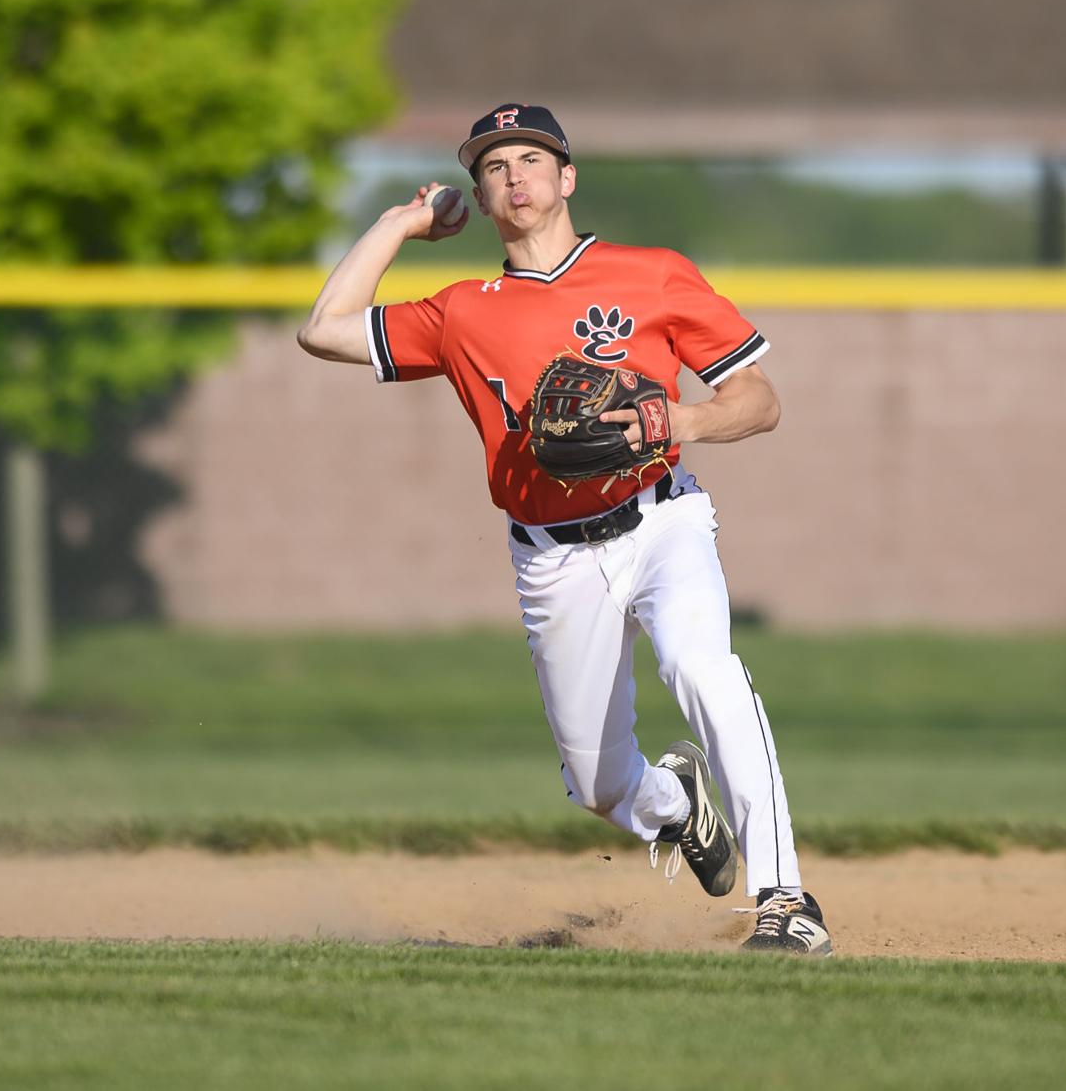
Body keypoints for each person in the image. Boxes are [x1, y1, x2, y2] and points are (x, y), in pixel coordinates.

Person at [297, 102, 832, 955]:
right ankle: (676, 806)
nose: (516, 177)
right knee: (596, 783)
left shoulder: (651, 274)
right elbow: (320, 329)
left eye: (532, 160)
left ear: (567, 177)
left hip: (663, 520)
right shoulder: (462, 311)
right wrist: (400, 222)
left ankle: (786, 901)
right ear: (480, 192)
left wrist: (675, 424)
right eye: (496, 166)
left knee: (704, 670)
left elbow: (759, 402)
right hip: (550, 558)